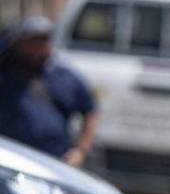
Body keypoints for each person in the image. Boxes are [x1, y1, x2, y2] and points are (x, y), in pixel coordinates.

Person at [0, 16, 98, 166]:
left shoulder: (65, 77)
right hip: (11, 158)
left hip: (53, 160)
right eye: (32, 41)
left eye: (43, 40)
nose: (37, 46)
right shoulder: (6, 75)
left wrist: (80, 150)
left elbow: (90, 112)